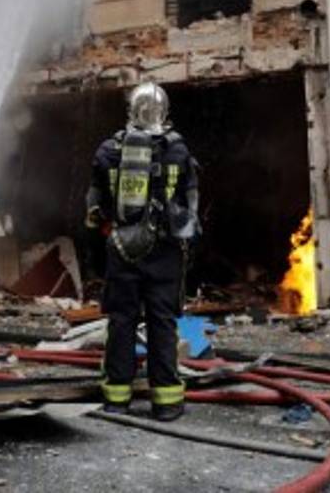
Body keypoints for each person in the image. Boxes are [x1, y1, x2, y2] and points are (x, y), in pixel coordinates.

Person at [86, 82, 199, 421]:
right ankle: (165, 403)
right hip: (165, 251)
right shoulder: (178, 151)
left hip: (121, 248)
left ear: (130, 110)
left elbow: (95, 209)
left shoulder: (108, 150)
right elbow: (189, 208)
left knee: (121, 321)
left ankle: (116, 399)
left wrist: (104, 244)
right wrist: (186, 247)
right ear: (164, 112)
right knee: (162, 323)